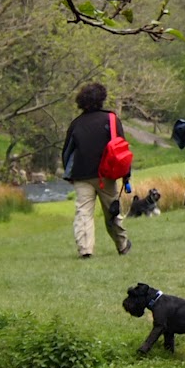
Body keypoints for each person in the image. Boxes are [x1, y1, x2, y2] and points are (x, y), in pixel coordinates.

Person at [61, 82, 132, 259]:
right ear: (102, 99)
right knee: (112, 211)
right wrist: (126, 175)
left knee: (83, 212)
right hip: (106, 175)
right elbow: (122, 149)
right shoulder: (111, 120)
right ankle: (122, 244)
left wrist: (68, 174)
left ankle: (85, 249)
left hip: (81, 175)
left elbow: (67, 152)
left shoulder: (76, 124)